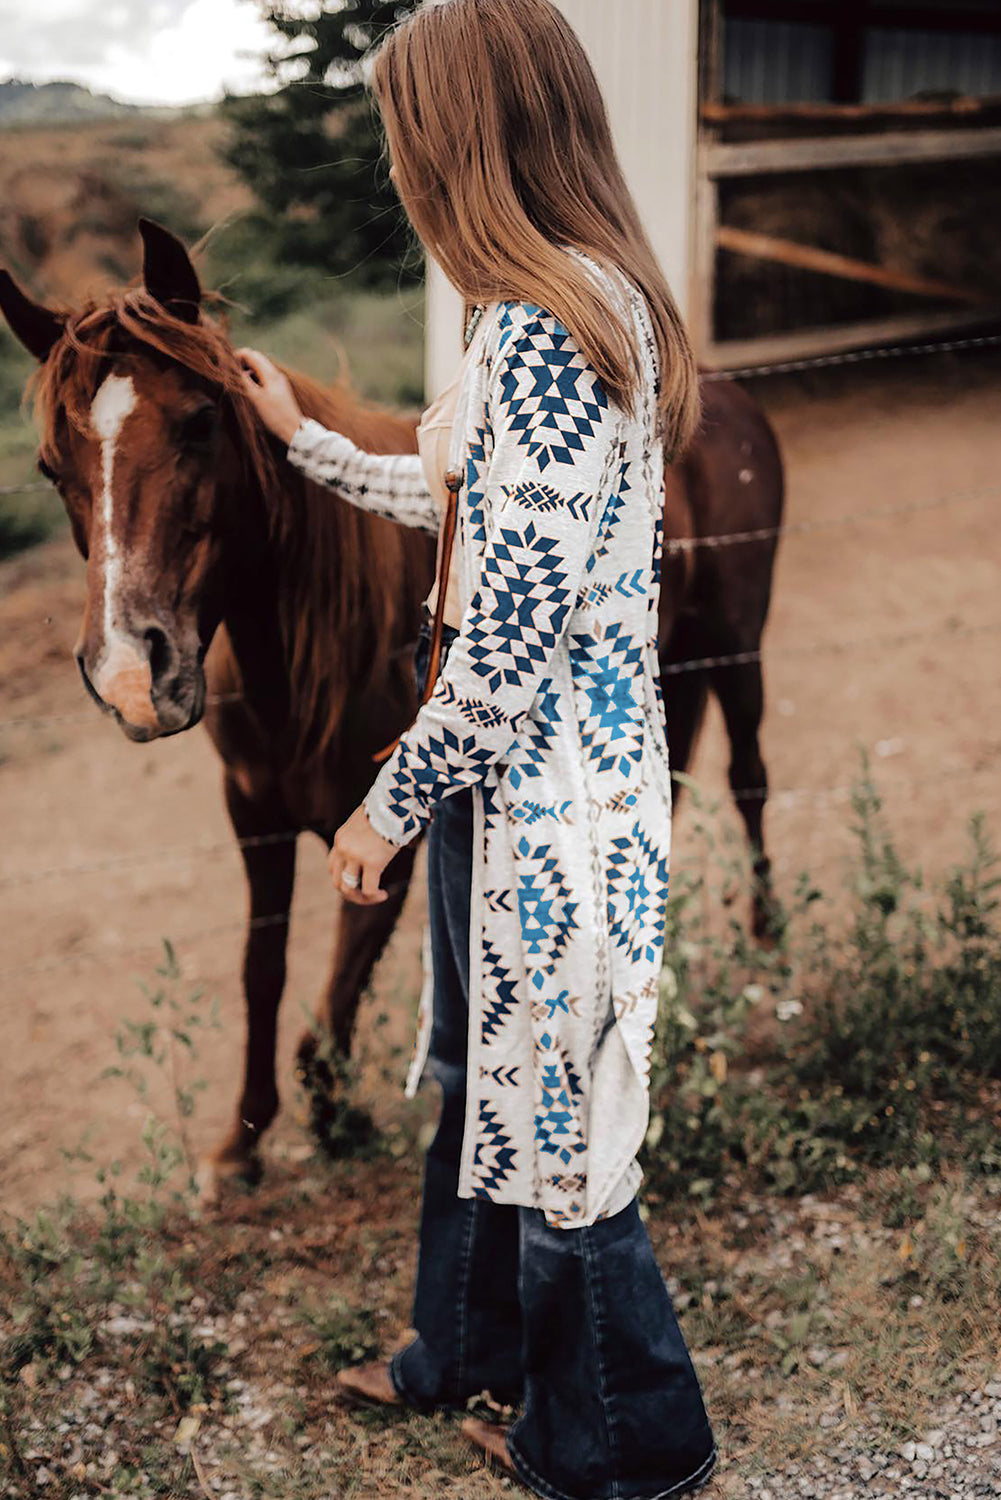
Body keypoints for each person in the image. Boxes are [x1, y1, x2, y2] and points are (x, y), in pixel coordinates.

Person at [238, 2, 717, 1495]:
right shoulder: (588, 302)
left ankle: (634, 1450)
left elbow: (501, 656)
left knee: (567, 1139)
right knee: (506, 1089)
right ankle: (505, 1376)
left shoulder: (539, 333)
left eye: (408, 142)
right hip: (540, 798)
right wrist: (299, 435)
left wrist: (379, 809)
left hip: (551, 805)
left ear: (462, 142)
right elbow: (455, 496)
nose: (400, 175)